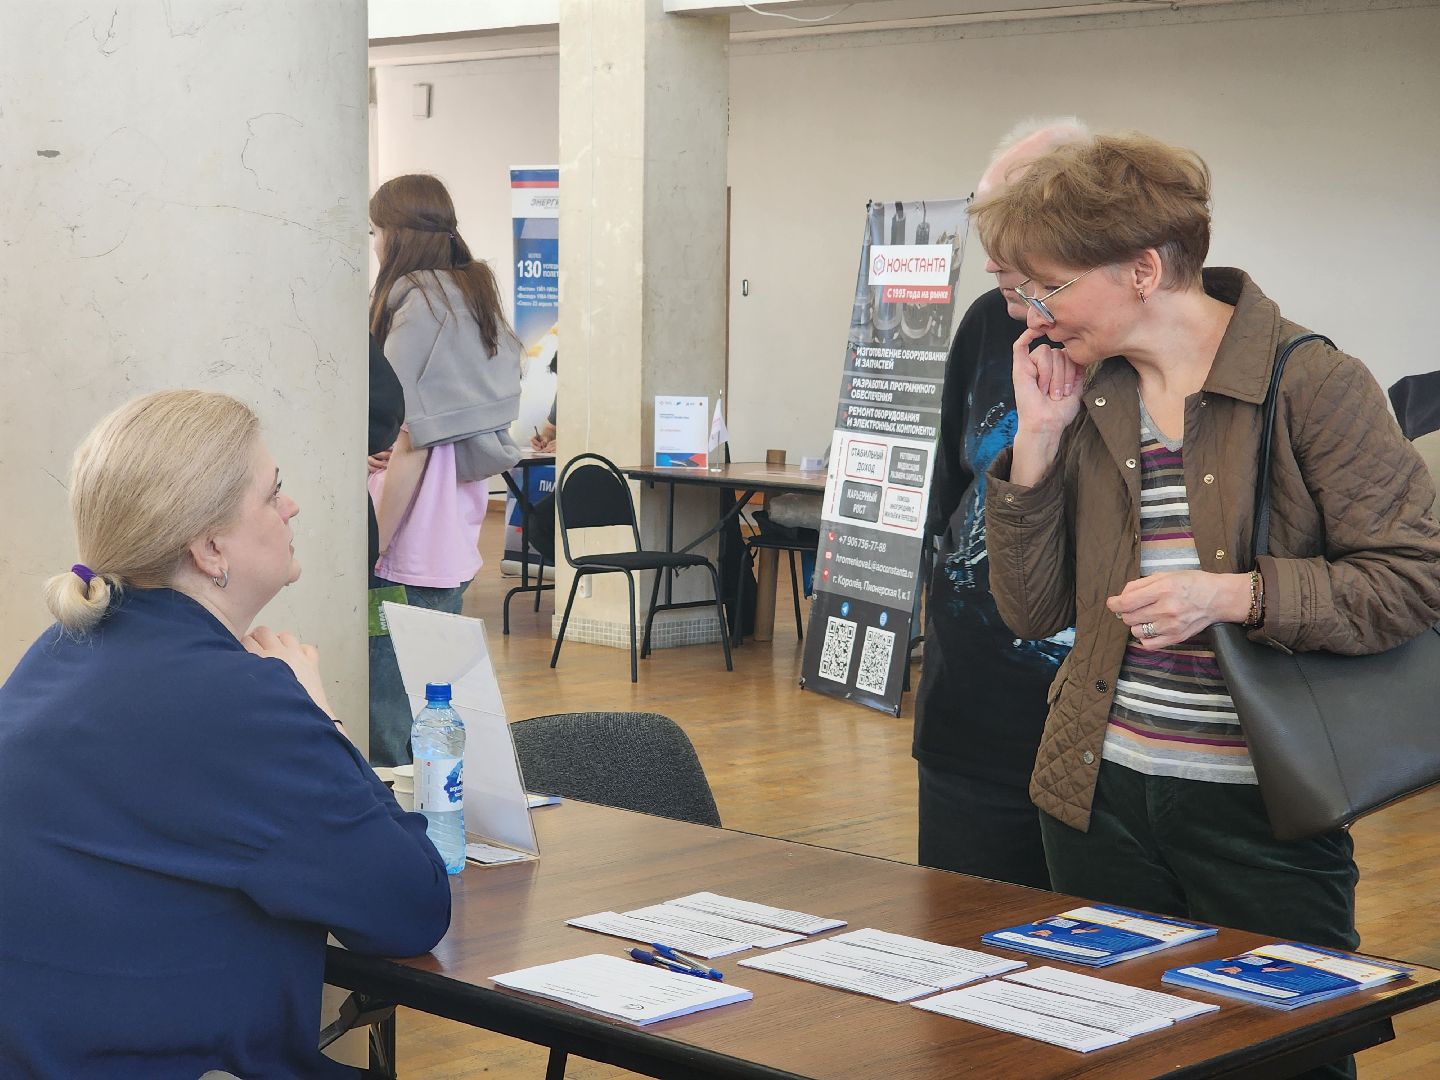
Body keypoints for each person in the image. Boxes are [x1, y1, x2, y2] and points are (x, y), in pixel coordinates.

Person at [974, 134, 1440, 1080]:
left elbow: (1414, 577)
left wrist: (1236, 595)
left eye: (1047, 288)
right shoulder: (1086, 394)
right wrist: (1037, 438)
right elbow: (1028, 611)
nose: (1029, 314)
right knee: (1116, 1054)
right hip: (1093, 796)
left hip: (1260, 810)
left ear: (1144, 269)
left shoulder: (1311, 381)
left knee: (1284, 1063)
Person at [0, 390, 451, 1079]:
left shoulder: (59, 651)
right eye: (273, 495)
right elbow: (411, 907)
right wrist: (319, 714)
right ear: (211, 549)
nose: (292, 508)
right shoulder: (239, 702)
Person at [912, 118, 1088, 889]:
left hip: (1080, 723)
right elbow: (948, 488)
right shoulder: (990, 322)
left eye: (1006, 234)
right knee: (956, 942)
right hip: (966, 721)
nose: (987, 260)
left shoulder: (1130, 347)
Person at [368, 173, 523, 766]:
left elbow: (412, 442)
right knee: (432, 708)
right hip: (451, 536)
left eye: (378, 232)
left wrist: (373, 541)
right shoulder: (472, 299)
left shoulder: (421, 309)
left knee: (390, 723)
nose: (376, 245)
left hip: (404, 539)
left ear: (399, 236)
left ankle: (400, 841)